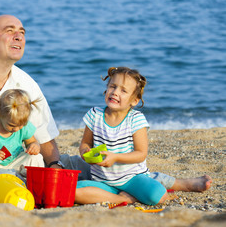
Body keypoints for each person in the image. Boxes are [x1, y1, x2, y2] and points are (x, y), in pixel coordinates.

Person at [0, 14, 211, 206]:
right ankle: (131, 185)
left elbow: (46, 136)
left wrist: (52, 164)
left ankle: (148, 179)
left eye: (22, 32)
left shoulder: (26, 82)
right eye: (9, 30)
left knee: (71, 165)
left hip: (19, 162)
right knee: (49, 184)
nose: (19, 35)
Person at [74, 67, 173, 205]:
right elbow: (85, 143)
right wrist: (86, 152)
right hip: (102, 180)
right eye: (112, 87)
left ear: (134, 100)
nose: (115, 92)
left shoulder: (135, 119)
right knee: (74, 191)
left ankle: (115, 195)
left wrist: (116, 157)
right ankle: (122, 197)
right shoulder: (94, 114)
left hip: (132, 179)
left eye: (123, 90)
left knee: (158, 196)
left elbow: (141, 154)